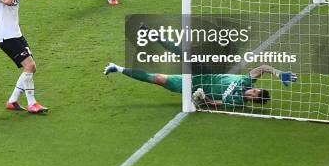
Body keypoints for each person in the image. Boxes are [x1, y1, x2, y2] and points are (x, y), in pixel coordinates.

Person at [103, 63, 297, 108]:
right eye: (256, 89)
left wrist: (202, 98)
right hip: (203, 73)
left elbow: (214, 104)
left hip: (193, 86)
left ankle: (117, 68)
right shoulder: (246, 81)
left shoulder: (237, 102)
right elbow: (262, 68)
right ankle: (154, 35)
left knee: (158, 79)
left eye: (255, 94)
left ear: (254, 100)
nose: (253, 91)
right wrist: (279, 74)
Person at [0, 0, 48, 114]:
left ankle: (12, 100)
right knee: (29, 66)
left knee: (31, 67)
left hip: (16, 34)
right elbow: (7, 0)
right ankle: (32, 103)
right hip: (6, 37)